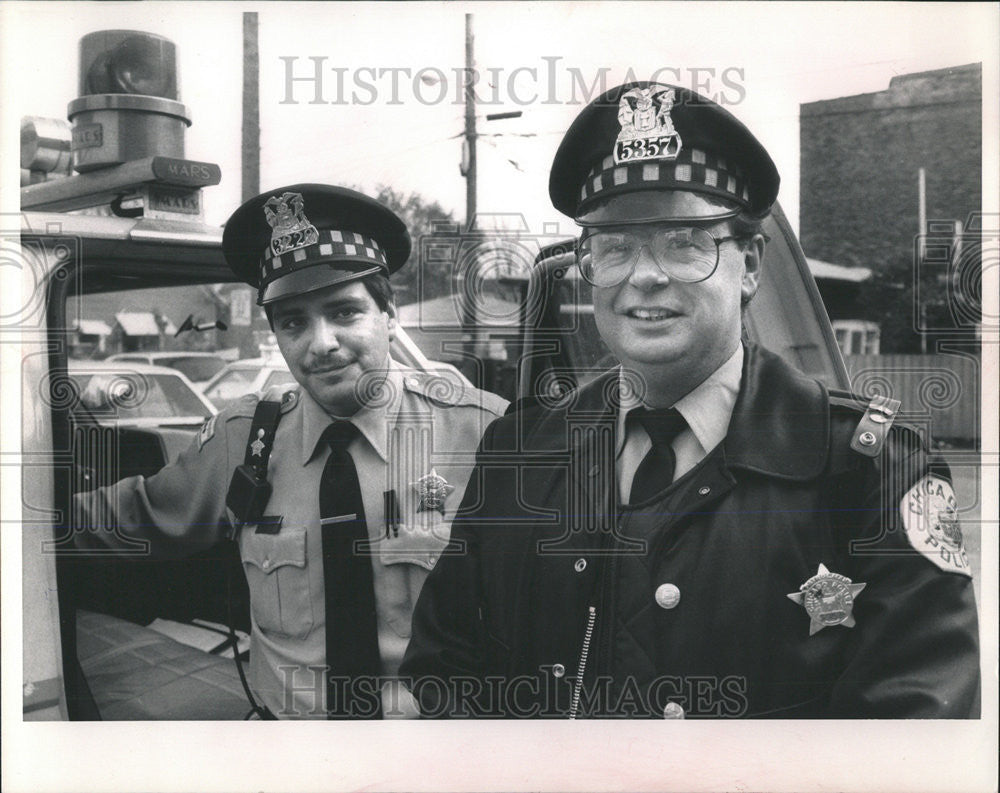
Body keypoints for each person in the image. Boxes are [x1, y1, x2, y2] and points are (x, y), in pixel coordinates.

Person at [400, 84, 980, 718]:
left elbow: (916, 728)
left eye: (683, 241)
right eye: (614, 245)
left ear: (751, 264)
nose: (644, 275)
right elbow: (446, 678)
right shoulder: (519, 452)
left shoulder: (869, 471)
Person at [74, 184, 507, 719]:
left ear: (389, 315)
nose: (319, 342)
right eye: (294, 321)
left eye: (345, 312)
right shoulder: (244, 438)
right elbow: (123, 519)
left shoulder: (485, 432)